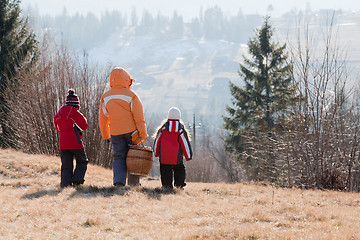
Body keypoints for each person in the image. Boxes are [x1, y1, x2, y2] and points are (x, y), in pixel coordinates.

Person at [99, 67, 147, 187]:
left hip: (115, 132)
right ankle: (134, 183)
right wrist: (142, 134)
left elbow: (103, 118)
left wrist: (106, 135)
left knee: (119, 157)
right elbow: (139, 117)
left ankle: (118, 182)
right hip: (132, 132)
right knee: (133, 156)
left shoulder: (105, 97)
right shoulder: (132, 96)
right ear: (126, 80)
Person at [54, 89, 89, 188]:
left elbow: (57, 128)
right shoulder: (75, 113)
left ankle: (65, 185)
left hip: (63, 144)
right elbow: (84, 126)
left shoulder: (58, 114)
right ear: (76, 105)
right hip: (75, 142)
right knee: (82, 161)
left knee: (66, 166)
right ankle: (77, 182)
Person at [153, 107, 193, 189]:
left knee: (165, 171)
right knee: (180, 169)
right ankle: (179, 185)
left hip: (164, 158)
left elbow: (157, 142)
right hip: (177, 158)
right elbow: (185, 144)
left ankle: (166, 186)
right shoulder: (180, 131)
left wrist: (156, 153)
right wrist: (188, 156)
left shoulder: (162, 130)